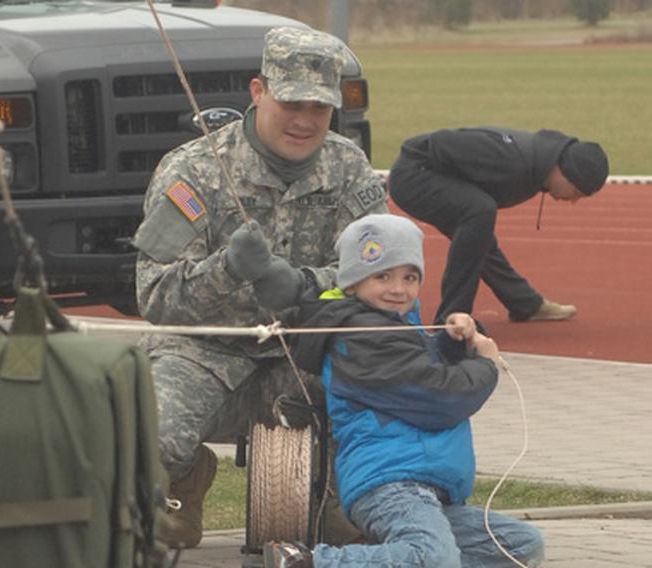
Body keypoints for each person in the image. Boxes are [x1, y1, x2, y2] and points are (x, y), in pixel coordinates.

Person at [131, 26, 389, 548]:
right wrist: (228, 269)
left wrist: (305, 286)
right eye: (291, 101)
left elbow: (379, 281)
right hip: (202, 353)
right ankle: (182, 480)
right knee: (149, 436)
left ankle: (334, 496)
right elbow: (155, 295)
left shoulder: (349, 169)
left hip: (302, 353)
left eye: (319, 107)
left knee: (380, 392)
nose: (304, 120)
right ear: (258, 91)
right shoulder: (194, 170)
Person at [264, 213, 545, 568]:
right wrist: (485, 365)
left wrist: (454, 342)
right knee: (432, 558)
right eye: (383, 276)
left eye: (409, 277)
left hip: (430, 490)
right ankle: (307, 562)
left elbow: (424, 365)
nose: (398, 289)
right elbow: (439, 397)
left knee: (520, 546)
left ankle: (388, 557)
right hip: (390, 484)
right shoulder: (360, 339)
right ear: (352, 283)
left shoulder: (398, 328)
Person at [388, 126, 609, 325]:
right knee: (479, 211)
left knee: (478, 229)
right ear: (564, 171)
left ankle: (525, 304)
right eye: (576, 192)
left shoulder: (537, 167)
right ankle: (453, 318)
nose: (573, 200)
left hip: (431, 174)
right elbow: (439, 142)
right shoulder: (511, 160)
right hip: (413, 175)